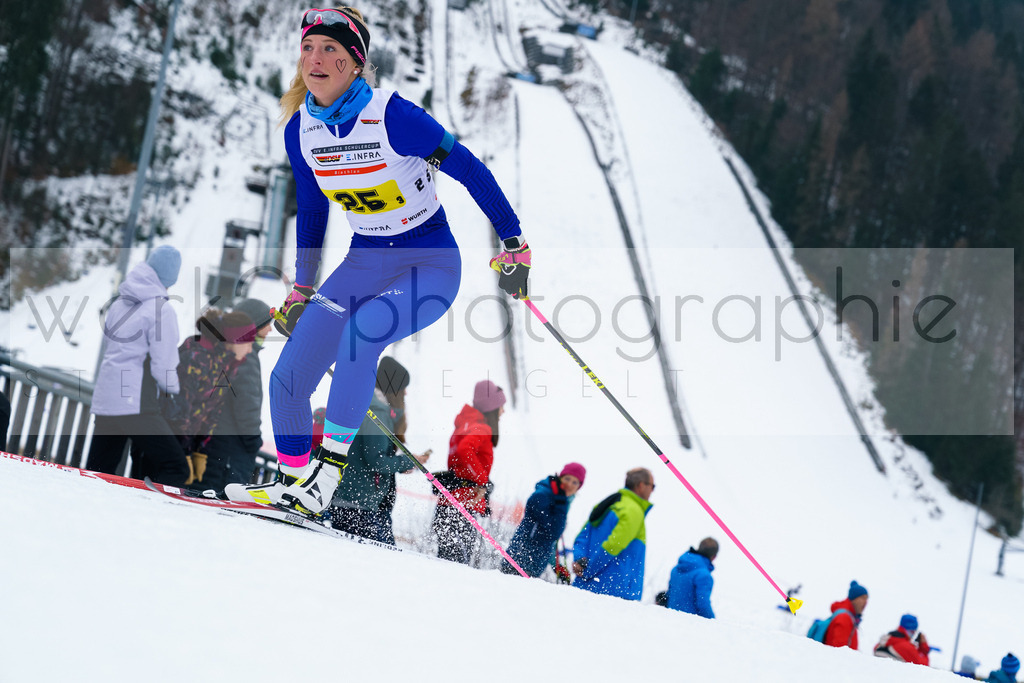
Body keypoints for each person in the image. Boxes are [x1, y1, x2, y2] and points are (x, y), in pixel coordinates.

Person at [224, 6, 529, 513]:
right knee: (289, 376)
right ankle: (294, 483)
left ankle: (327, 477)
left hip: (429, 265)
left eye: (330, 50)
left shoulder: (394, 115)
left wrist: (514, 242)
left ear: (355, 63)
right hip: (362, 263)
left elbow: (470, 169)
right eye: (307, 49)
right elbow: (313, 209)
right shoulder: (300, 131)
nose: (314, 59)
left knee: (362, 333)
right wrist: (302, 287)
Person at [90, 246, 189, 486]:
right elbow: (163, 364)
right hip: (135, 401)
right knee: (176, 467)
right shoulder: (161, 310)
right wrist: (173, 392)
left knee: (98, 472)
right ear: (170, 278)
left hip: (106, 399)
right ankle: (145, 516)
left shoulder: (119, 304)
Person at [327, 357, 429, 544]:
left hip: (360, 502)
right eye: (402, 387)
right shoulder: (377, 412)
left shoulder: (374, 408)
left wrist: (401, 464)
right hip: (358, 505)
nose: (405, 392)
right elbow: (376, 460)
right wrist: (407, 461)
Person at [171, 310, 256, 491]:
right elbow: (180, 409)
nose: (250, 350)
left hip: (185, 445)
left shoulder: (226, 365)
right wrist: (184, 452)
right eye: (249, 343)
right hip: (168, 442)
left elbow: (211, 412)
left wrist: (199, 453)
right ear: (236, 340)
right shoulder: (198, 358)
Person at [433, 380, 505, 564]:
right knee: (456, 567)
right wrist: (481, 482)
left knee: (446, 562)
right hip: (463, 505)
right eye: (501, 407)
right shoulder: (481, 428)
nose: (503, 412)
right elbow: (465, 450)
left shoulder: (465, 425)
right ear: (492, 408)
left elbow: (461, 462)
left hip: (449, 503)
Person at [206, 299, 272, 487]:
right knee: (223, 504)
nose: (270, 330)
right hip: (230, 450)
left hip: (211, 444)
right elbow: (246, 405)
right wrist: (253, 441)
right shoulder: (245, 357)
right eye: (267, 324)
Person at [571, 467, 655, 601]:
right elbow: (613, 546)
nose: (652, 491)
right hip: (613, 594)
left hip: (585, 586)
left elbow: (583, 537)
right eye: (652, 486)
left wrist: (579, 561)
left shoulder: (608, 504)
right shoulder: (634, 511)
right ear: (640, 485)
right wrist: (588, 572)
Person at [501, 462, 586, 578]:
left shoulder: (560, 500)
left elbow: (549, 540)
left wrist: (556, 566)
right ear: (560, 478)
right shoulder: (544, 496)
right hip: (520, 561)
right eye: (567, 478)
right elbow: (552, 531)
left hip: (534, 565)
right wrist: (561, 504)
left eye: (575, 482)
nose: (569, 484)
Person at [666, 537, 719, 618]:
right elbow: (703, 605)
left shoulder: (676, 569)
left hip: (670, 619)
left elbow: (669, 594)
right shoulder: (704, 576)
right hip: (689, 624)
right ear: (714, 557)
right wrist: (714, 623)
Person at [822, 580, 868, 650]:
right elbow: (839, 651)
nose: (865, 602)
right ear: (853, 599)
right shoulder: (845, 618)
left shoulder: (849, 618)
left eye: (866, 598)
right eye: (862, 598)